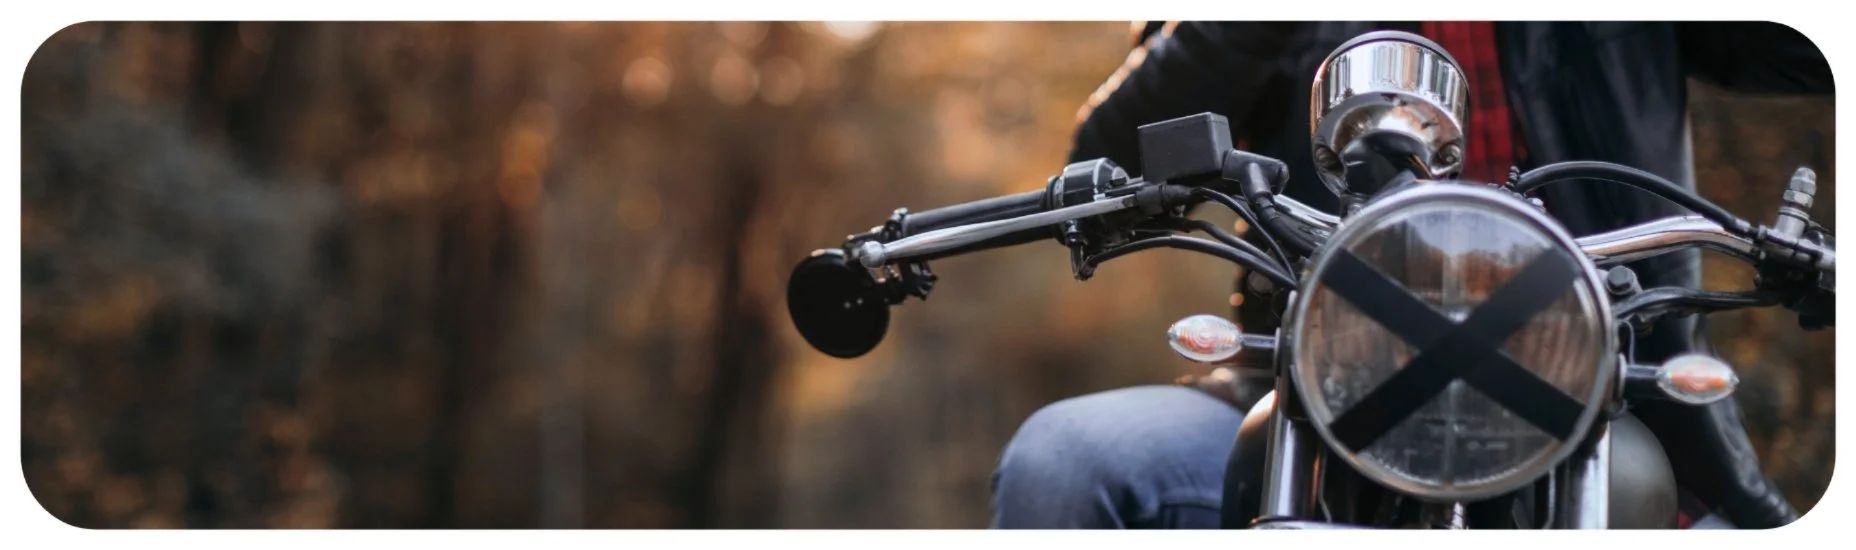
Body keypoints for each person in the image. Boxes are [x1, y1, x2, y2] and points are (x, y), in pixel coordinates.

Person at [989, 21, 1832, 530]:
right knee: (1063, 459)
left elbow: (1807, 53)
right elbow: (1107, 160)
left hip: (1604, 393)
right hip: (1309, 387)